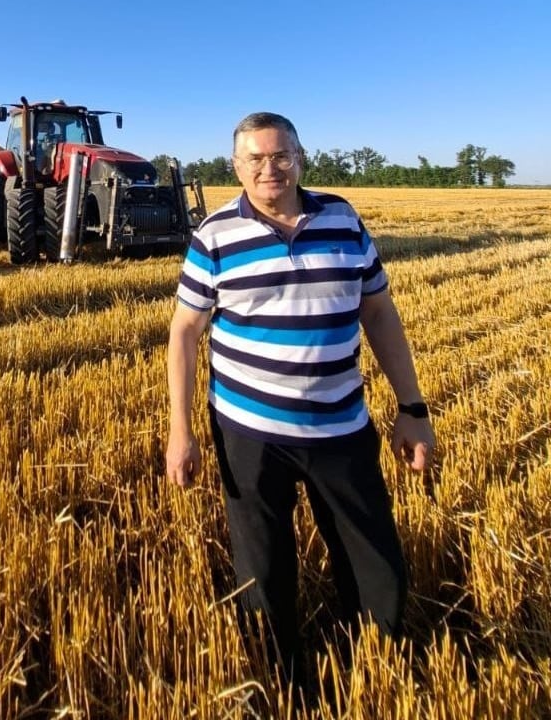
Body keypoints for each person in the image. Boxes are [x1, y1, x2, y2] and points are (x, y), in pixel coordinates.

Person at [165, 112, 435, 684]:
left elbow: (380, 312)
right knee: (263, 574)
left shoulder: (342, 220)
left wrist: (412, 408)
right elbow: (185, 332)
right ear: (236, 167)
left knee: (376, 567)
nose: (270, 169)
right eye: (255, 159)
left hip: (342, 425)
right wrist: (180, 430)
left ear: (300, 157)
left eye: (281, 155)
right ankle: (280, 681)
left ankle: (376, 673)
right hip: (248, 431)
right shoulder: (214, 236)